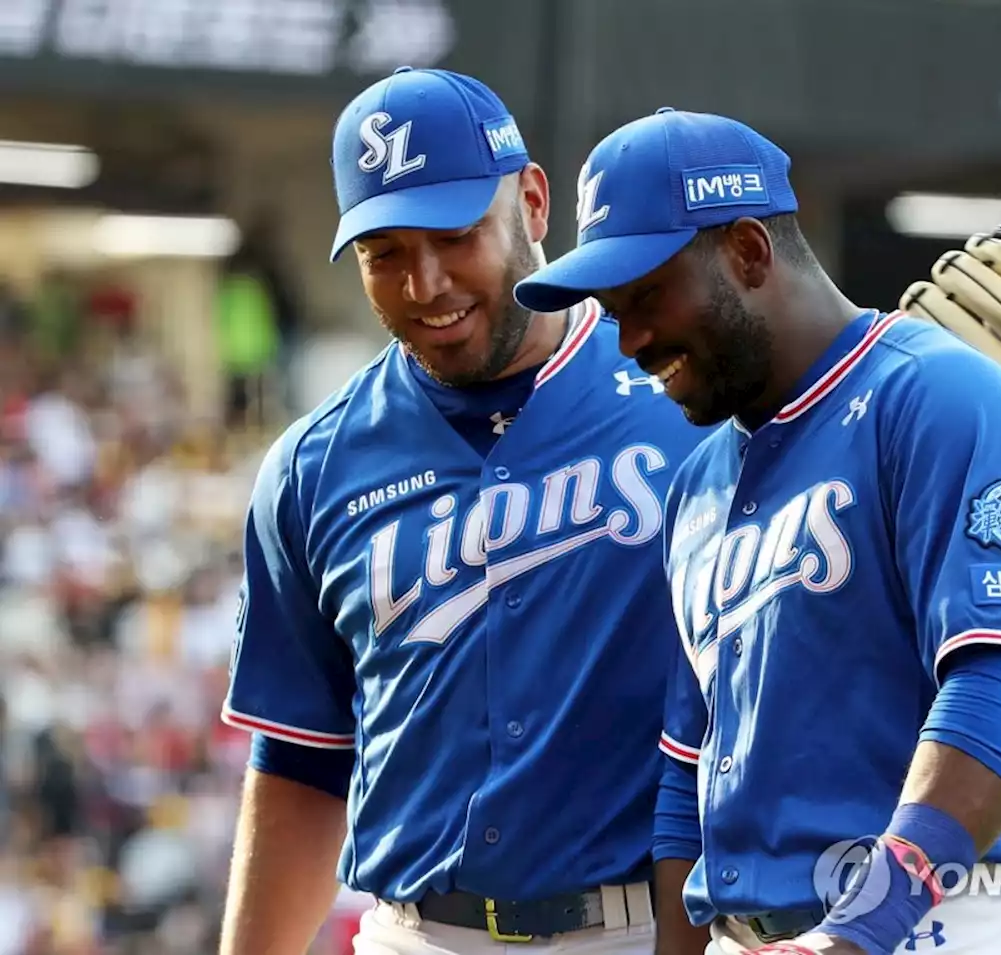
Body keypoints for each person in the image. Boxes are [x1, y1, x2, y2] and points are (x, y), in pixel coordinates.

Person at [513, 108, 1001, 955]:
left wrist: (858, 931)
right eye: (612, 311)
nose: (630, 340)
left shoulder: (944, 397)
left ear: (750, 252)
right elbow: (687, 771)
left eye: (647, 296)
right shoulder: (697, 485)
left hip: (946, 920)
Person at [216, 69, 711, 955]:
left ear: (531, 201)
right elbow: (300, 759)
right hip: (417, 934)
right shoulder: (313, 466)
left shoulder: (685, 399)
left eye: (455, 235)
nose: (426, 283)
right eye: (385, 253)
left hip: (648, 929)